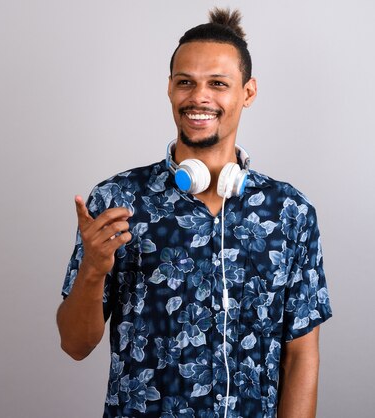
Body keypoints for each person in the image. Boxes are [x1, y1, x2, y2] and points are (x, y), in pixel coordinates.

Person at [56, 8, 332, 418]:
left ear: (248, 92)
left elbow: (301, 358)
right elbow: (75, 345)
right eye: (186, 82)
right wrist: (93, 270)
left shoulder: (290, 212)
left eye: (218, 84)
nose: (199, 97)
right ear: (170, 88)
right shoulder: (116, 201)